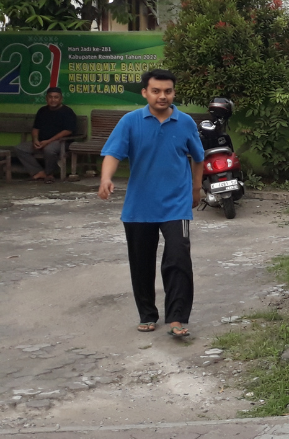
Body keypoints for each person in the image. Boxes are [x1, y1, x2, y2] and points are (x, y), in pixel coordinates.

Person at [97, 69, 205, 338]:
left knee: (178, 257)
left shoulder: (185, 122)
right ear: (145, 92)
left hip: (176, 204)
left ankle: (177, 317)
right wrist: (106, 178)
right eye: (156, 91)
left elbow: (198, 157)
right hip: (139, 205)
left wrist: (195, 188)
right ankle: (147, 314)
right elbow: (113, 152)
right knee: (141, 262)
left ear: (174, 93)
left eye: (167, 91)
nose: (162, 96)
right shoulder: (131, 121)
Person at [13, 87, 77, 183]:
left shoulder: (67, 112)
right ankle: (38, 172)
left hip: (60, 142)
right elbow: (35, 128)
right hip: (42, 141)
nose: (53, 100)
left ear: (61, 99)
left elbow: (68, 131)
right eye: (50, 97)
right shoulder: (42, 111)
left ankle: (49, 174)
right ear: (46, 98)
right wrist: (35, 140)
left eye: (56, 97)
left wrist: (48, 141)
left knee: (49, 149)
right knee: (20, 148)